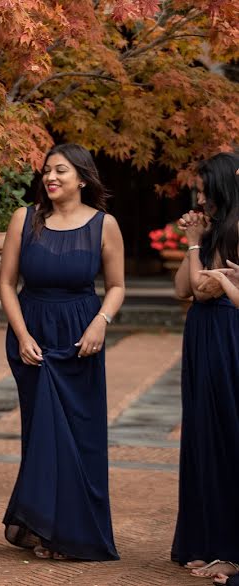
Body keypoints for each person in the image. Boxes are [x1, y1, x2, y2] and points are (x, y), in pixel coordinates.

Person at [0, 143, 124, 561]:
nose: (50, 178)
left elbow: (118, 286)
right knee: (42, 435)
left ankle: (75, 530)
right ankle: (43, 527)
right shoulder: (24, 219)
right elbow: (6, 285)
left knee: (82, 436)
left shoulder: (105, 225)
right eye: (47, 171)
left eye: (61, 172)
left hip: (81, 338)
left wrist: (100, 323)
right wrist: (20, 335)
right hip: (32, 335)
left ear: (82, 179)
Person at [171, 152, 239, 577]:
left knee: (228, 434)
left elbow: (204, 288)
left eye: (203, 189)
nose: (198, 198)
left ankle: (231, 549)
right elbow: (184, 287)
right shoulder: (216, 231)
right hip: (202, 337)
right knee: (203, 435)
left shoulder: (234, 230)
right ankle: (207, 539)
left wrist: (197, 243)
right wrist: (195, 242)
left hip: (228, 336)